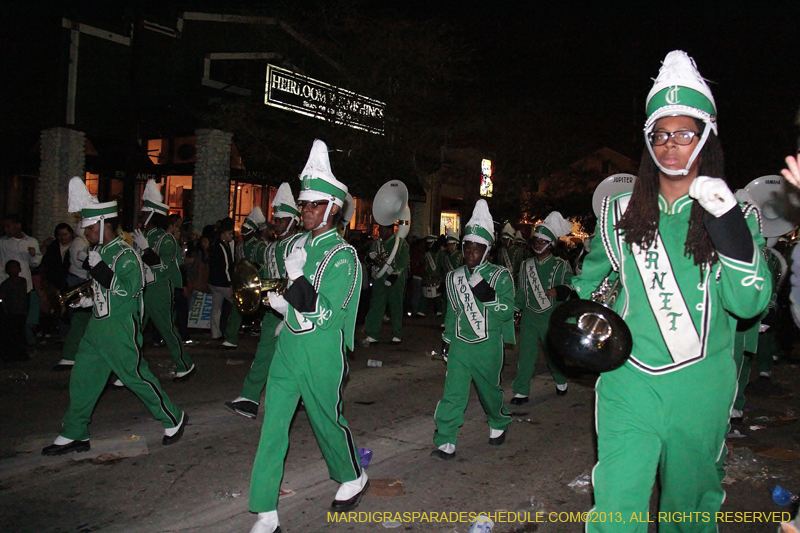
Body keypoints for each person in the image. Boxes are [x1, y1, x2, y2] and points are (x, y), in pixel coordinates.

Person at [572, 51, 771, 532]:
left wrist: (725, 224)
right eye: (660, 134)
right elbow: (588, 284)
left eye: (684, 133)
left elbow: (749, 304)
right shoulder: (619, 210)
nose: (670, 146)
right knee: (616, 512)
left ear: (705, 136)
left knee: (689, 513)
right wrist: (582, 313)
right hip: (628, 381)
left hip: (699, 389)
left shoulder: (737, 215)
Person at [248, 140, 366, 533]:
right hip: (288, 348)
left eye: (313, 204)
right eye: (303, 204)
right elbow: (295, 301)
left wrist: (296, 282)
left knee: (326, 422)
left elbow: (328, 315)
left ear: (332, 208)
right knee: (272, 426)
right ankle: (266, 511)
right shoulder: (296, 245)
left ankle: (353, 474)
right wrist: (279, 302)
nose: (305, 211)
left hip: (321, 353)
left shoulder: (345, 257)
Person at [42, 177, 187, 456]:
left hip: (119, 327)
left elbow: (130, 290)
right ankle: (74, 432)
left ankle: (173, 417)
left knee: (136, 378)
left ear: (102, 224)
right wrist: (87, 300)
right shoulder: (100, 251)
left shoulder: (125, 254)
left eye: (88, 229)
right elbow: (104, 291)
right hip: (98, 327)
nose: (85, 234)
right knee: (82, 378)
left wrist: (101, 273)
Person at [431, 199, 515, 461]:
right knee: (453, 393)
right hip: (460, 343)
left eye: (477, 249)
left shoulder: (500, 276)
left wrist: (487, 295)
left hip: (488, 345)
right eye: (467, 247)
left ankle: (498, 420)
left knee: (489, 392)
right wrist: (446, 338)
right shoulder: (453, 277)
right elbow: (452, 311)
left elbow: (507, 312)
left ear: (487, 250)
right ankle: (446, 438)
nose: (470, 253)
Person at [225, 182, 302, 419]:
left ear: (292, 220)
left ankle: (314, 397)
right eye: (274, 219)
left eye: (280, 219)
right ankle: (249, 398)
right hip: (273, 310)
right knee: (265, 353)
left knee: (300, 357)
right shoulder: (271, 247)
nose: (275, 223)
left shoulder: (302, 245)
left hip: (297, 309)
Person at [132, 180, 195, 380]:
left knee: (167, 329)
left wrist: (145, 249)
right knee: (134, 331)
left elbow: (163, 267)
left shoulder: (165, 239)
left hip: (159, 288)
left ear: (152, 215)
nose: (141, 215)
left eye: (144, 212)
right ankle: (128, 368)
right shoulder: (142, 235)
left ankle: (185, 364)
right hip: (143, 287)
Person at [511, 212, 574, 403]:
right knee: (526, 354)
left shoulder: (560, 265)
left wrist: (560, 290)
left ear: (550, 244)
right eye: (536, 241)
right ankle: (521, 391)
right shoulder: (526, 265)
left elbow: (572, 287)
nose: (538, 245)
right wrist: (513, 309)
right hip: (530, 316)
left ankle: (561, 379)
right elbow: (521, 292)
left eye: (542, 241)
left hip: (550, 316)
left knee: (551, 353)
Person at [0, 214, 43, 348]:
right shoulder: (3, 242)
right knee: (8, 316)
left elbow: (35, 263)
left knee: (22, 316)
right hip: (6, 283)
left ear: (18, 225)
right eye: (5, 227)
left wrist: (33, 255)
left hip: (24, 284)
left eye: (9, 226)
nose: (6, 230)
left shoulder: (31, 241)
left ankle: (21, 344)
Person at [363, 223, 409, 344]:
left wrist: (394, 276)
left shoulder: (401, 243)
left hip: (395, 280)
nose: (380, 232)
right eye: (379, 230)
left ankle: (397, 333)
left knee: (396, 306)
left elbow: (403, 262)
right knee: (376, 305)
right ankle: (372, 333)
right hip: (379, 278)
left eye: (383, 230)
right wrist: (370, 257)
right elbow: (367, 261)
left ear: (390, 230)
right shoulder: (376, 243)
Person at [208, 218, 241, 348]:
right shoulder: (222, 246)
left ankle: (215, 334)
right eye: (229, 233)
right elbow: (226, 267)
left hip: (214, 282)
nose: (231, 236)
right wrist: (230, 283)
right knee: (238, 303)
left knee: (216, 308)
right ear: (223, 233)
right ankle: (231, 334)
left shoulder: (216, 243)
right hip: (223, 283)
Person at [0, 260, 31, 361]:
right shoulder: (5, 284)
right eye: (11, 268)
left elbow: (24, 296)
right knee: (11, 335)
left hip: (21, 312)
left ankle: (21, 353)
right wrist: (6, 311)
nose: (13, 270)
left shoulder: (23, 281)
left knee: (21, 334)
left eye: (15, 267)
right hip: (11, 313)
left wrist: (26, 309)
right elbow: (2, 299)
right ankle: (11, 355)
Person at [436, 228, 462, 327]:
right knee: (446, 302)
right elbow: (442, 269)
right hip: (448, 282)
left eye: (452, 244)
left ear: (456, 244)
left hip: (459, 283)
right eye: (449, 244)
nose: (450, 246)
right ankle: (444, 321)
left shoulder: (460, 255)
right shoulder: (444, 256)